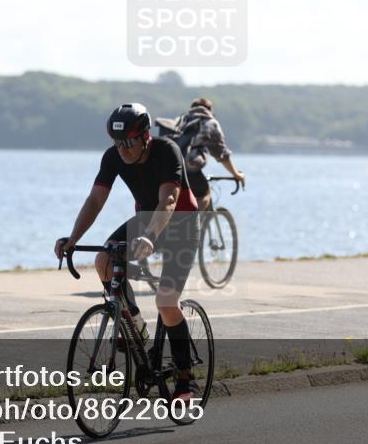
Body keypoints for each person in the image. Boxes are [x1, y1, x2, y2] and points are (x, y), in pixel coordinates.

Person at [54, 103, 201, 400]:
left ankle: (185, 378)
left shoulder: (167, 151)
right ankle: (134, 325)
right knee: (104, 260)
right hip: (146, 220)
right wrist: (72, 238)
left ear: (145, 137)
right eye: (116, 142)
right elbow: (95, 200)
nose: (122, 149)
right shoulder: (113, 157)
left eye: (128, 143)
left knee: (166, 302)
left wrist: (150, 236)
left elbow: (169, 201)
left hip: (181, 224)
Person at [177, 98, 245, 211]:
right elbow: (222, 154)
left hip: (170, 168)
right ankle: (194, 220)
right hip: (190, 170)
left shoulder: (181, 121)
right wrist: (236, 174)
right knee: (205, 194)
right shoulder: (209, 123)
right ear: (210, 110)